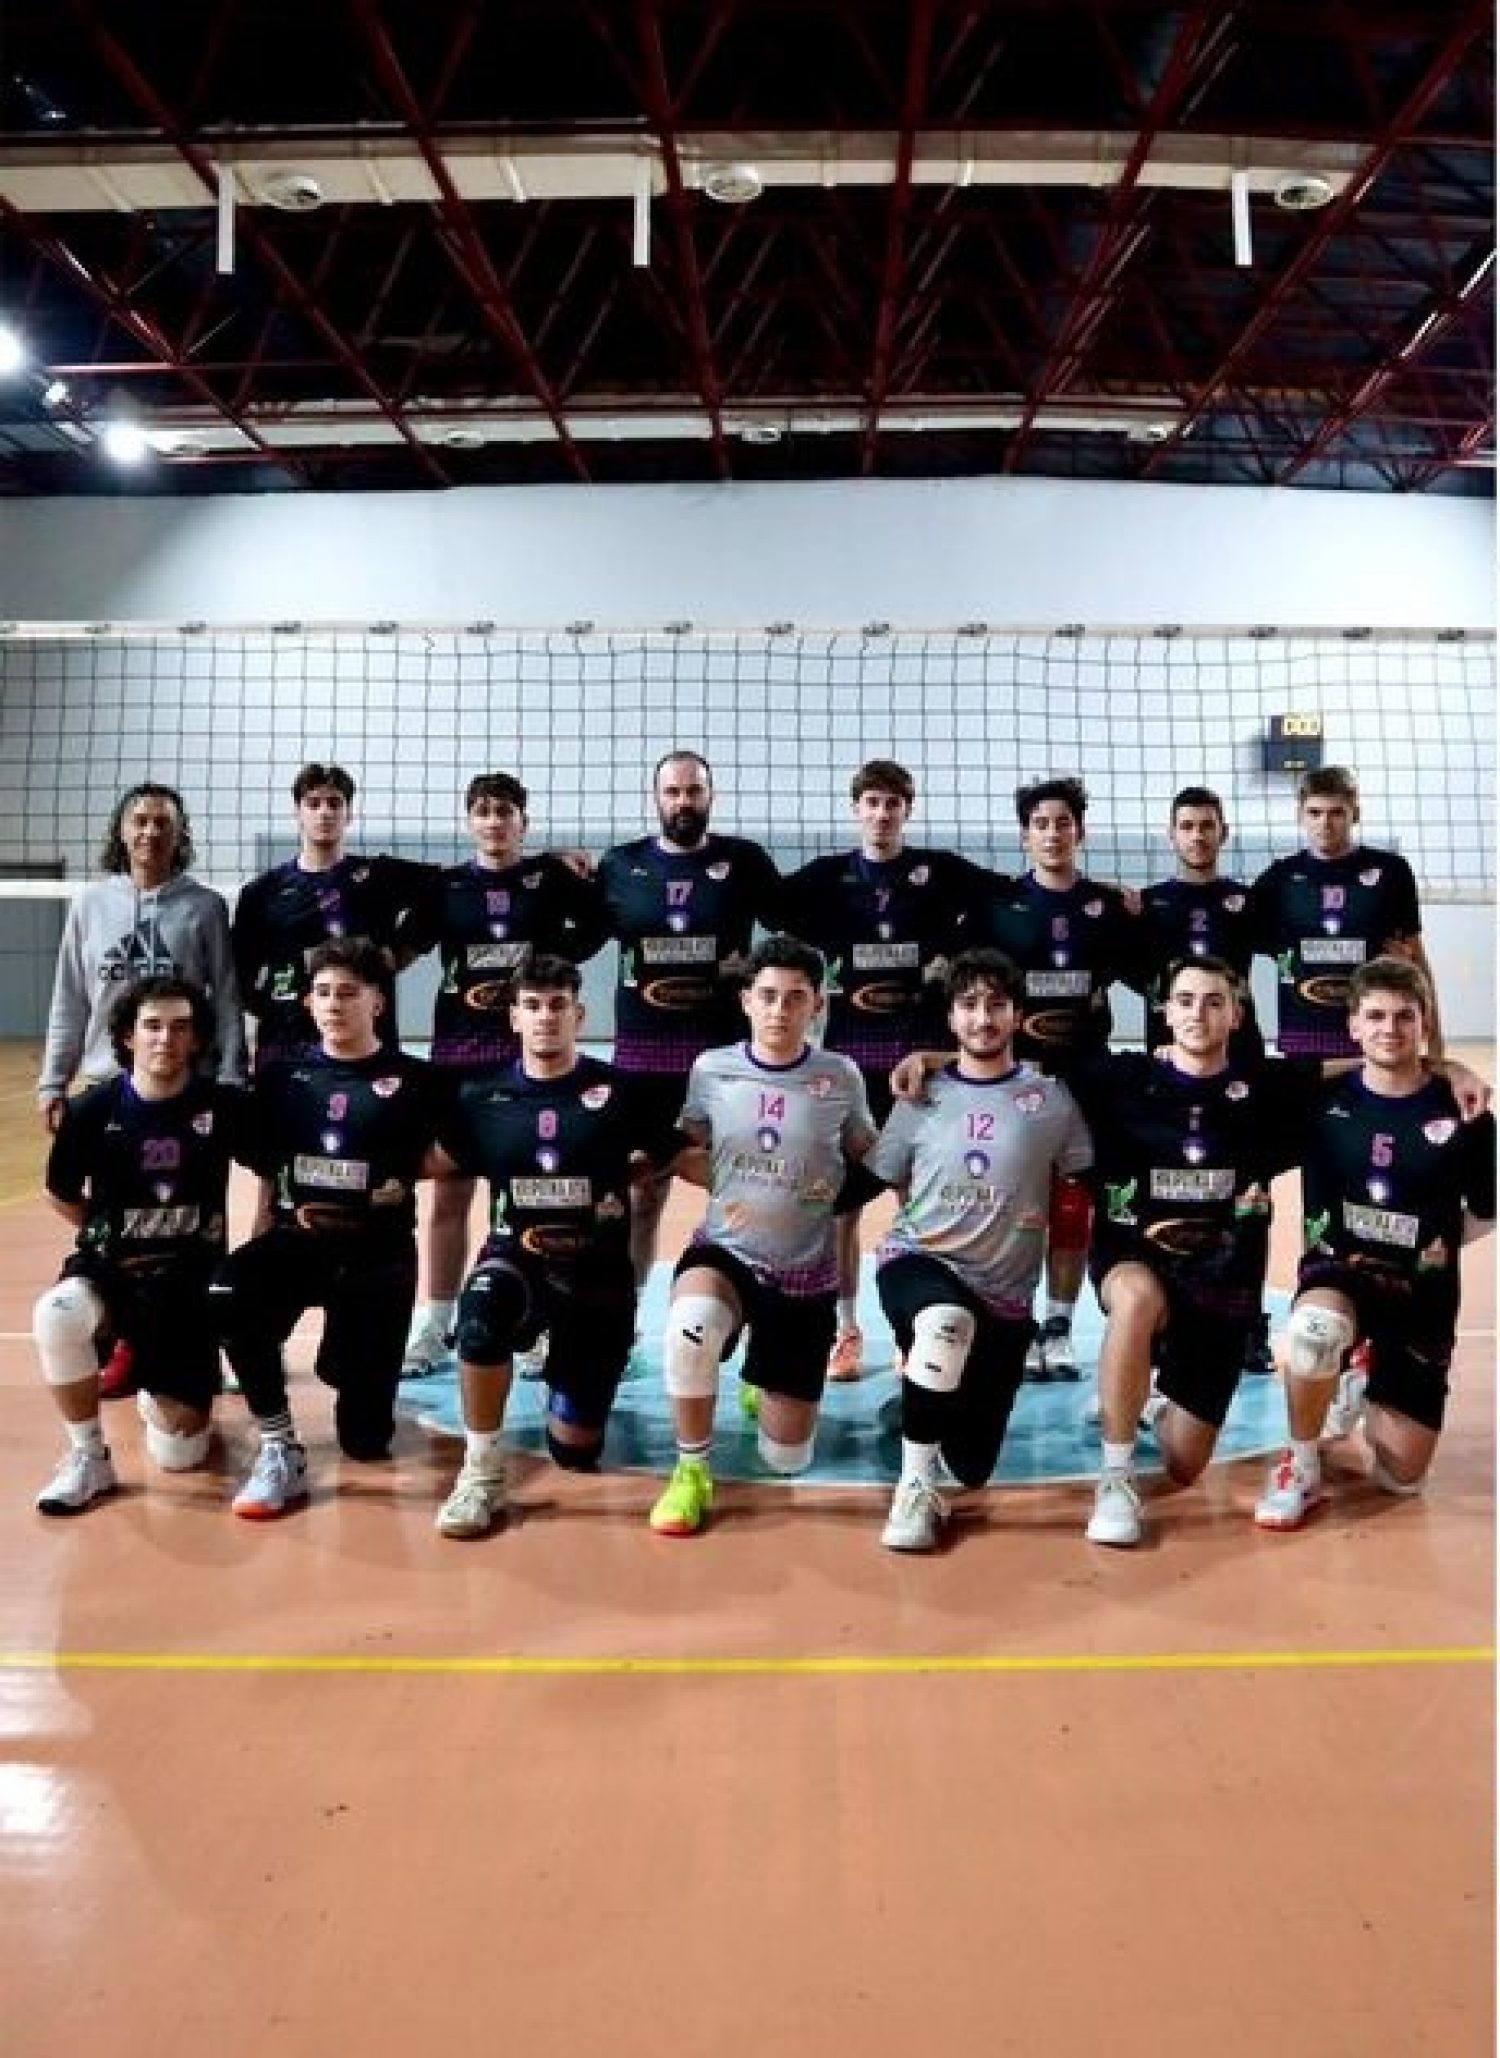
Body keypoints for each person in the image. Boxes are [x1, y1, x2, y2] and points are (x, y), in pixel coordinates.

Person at [429, 954, 697, 1539]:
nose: (545, 1017)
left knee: (575, 1451)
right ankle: (480, 1471)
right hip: (515, 1258)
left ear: (579, 1015)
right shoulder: (482, 1096)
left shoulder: (621, 1093)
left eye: (557, 1006)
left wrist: (771, 1179)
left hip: (597, 1278)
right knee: (479, 1321)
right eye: (532, 1006)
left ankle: (563, 1369)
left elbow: (684, 1159)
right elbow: (431, 1163)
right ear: (514, 1019)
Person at [860, 950, 1092, 1551]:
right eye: (968, 1006)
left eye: (996, 1005)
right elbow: (885, 1174)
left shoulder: (1050, 1100)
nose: (982, 1019)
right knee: (944, 1322)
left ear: (1018, 1015)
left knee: (972, 1466)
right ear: (950, 1018)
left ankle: (913, 1407)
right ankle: (913, 1490)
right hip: (919, 1263)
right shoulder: (920, 1096)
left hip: (1004, 1298)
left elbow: (1082, 1180)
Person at [210, 939, 448, 1519]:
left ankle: (343, 1360)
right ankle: (278, 1443)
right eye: (323, 993)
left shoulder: (416, 1080)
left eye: (348, 992)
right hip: (300, 1243)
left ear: (378, 1003)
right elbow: (258, 1155)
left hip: (379, 1256)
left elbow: (458, 1150)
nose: (334, 1004)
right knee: (227, 1292)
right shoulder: (280, 1079)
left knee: (365, 1441)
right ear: (309, 1004)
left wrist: (399, 1177)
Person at [1253, 957, 1493, 1530]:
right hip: (1337, 1274)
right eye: (1376, 1016)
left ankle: (1361, 1369)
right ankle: (1301, 1464)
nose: (1391, 1029)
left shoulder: (1465, 1113)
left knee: (1401, 1479)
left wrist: (1434, 1247)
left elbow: (1488, 1210)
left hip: (1421, 1298)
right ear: (1353, 1026)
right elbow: (1244, 1081)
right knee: (1314, 1331)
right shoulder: (1320, 1102)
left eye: (1405, 1016)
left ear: (1425, 1021)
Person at [648, 935, 876, 1538]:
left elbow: (871, 1153)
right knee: (691, 1326)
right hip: (726, 1249)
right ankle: (691, 1470)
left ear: (818, 1005)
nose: (780, 1010)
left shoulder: (840, 1075)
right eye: (768, 996)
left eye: (796, 997)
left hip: (805, 1272)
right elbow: (688, 1145)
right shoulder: (711, 1068)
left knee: (786, 1460)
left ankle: (761, 1378)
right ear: (746, 1000)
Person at [776, 758, 993, 1382]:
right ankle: (844, 1330)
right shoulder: (825, 878)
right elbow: (757, 897)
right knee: (840, 1209)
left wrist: (1105, 891)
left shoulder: (939, 873)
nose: (882, 813)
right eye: (872, 802)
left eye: (893, 803)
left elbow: (1014, 894)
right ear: (856, 809)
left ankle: (914, 1326)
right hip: (849, 1070)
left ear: (907, 810)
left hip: (919, 1070)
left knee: (920, 1202)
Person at [393, 774, 610, 1379]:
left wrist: (557, 957)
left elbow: (599, 922)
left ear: (523, 821)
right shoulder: (446, 887)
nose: (495, 822)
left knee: (531, 1193)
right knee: (450, 1193)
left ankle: (535, 1322)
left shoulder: (550, 878)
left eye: (505, 811)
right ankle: (437, 1323)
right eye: (484, 812)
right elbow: (401, 951)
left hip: (528, 1063)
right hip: (458, 1062)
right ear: (470, 821)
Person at [33, 976, 245, 1515]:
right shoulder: (91, 1110)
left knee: (181, 1456)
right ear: (128, 1036)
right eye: (152, 1026)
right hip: (112, 1272)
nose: (165, 1038)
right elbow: (58, 1192)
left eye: (180, 1027)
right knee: (56, 1314)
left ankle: (157, 1382)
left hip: (188, 1284)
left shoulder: (223, 1107)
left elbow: (273, 1170)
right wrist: (103, 1229)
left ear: (196, 1039)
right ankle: (88, 1456)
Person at [957, 777, 1141, 1379]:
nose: (1053, 833)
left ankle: (1058, 1328)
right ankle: (1006, 1320)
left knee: (1072, 1202)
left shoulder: (1106, 908)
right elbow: (965, 985)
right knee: (1005, 1200)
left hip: (1086, 1075)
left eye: (1064, 823)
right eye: (1041, 824)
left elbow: (1151, 974)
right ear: (1025, 836)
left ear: (1080, 832)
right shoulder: (998, 907)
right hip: (1012, 1078)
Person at [596, 750, 781, 1289]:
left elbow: (795, 919)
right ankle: (627, 1314)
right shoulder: (619, 865)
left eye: (694, 791)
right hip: (642, 1063)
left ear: (710, 796)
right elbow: (575, 931)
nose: (683, 802)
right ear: (656, 798)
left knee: (744, 1190)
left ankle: (746, 1308)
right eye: (673, 792)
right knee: (641, 1192)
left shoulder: (744, 862)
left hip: (725, 1063)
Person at [1139, 786, 1271, 1372]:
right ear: (1172, 835)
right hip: (1169, 1076)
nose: (1197, 835)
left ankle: (1249, 1323)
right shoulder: (1144, 907)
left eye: (1207, 825)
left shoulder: (1249, 903)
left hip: (1240, 1072)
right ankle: (1162, 1317)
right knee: (1168, 1192)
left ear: (1224, 833)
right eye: (1187, 826)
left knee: (1248, 1198)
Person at [37, 780, 246, 1125]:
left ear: (180, 835)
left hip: (186, 1082)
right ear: (122, 831)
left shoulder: (206, 907)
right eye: (140, 821)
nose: (151, 832)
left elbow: (227, 1000)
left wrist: (231, 1078)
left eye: (163, 823)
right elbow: (69, 1000)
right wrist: (52, 1082)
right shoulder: (89, 905)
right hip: (107, 1080)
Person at [231, 761, 433, 1069]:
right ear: (298, 813)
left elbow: (445, 888)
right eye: (313, 804)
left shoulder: (379, 876)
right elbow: (238, 979)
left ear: (349, 814)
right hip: (288, 1049)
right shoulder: (262, 892)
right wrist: (280, 1010)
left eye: (335, 803)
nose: (324, 812)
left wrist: (403, 950)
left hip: (368, 1047)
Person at [1251, 764, 1444, 1062]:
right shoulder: (1279, 878)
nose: (1325, 823)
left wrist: (1436, 1041)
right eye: (1315, 813)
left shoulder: (1391, 872)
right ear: (1300, 815)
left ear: (1356, 814)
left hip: (1377, 1037)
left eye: (1336, 813)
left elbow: (1416, 957)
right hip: (1303, 1038)